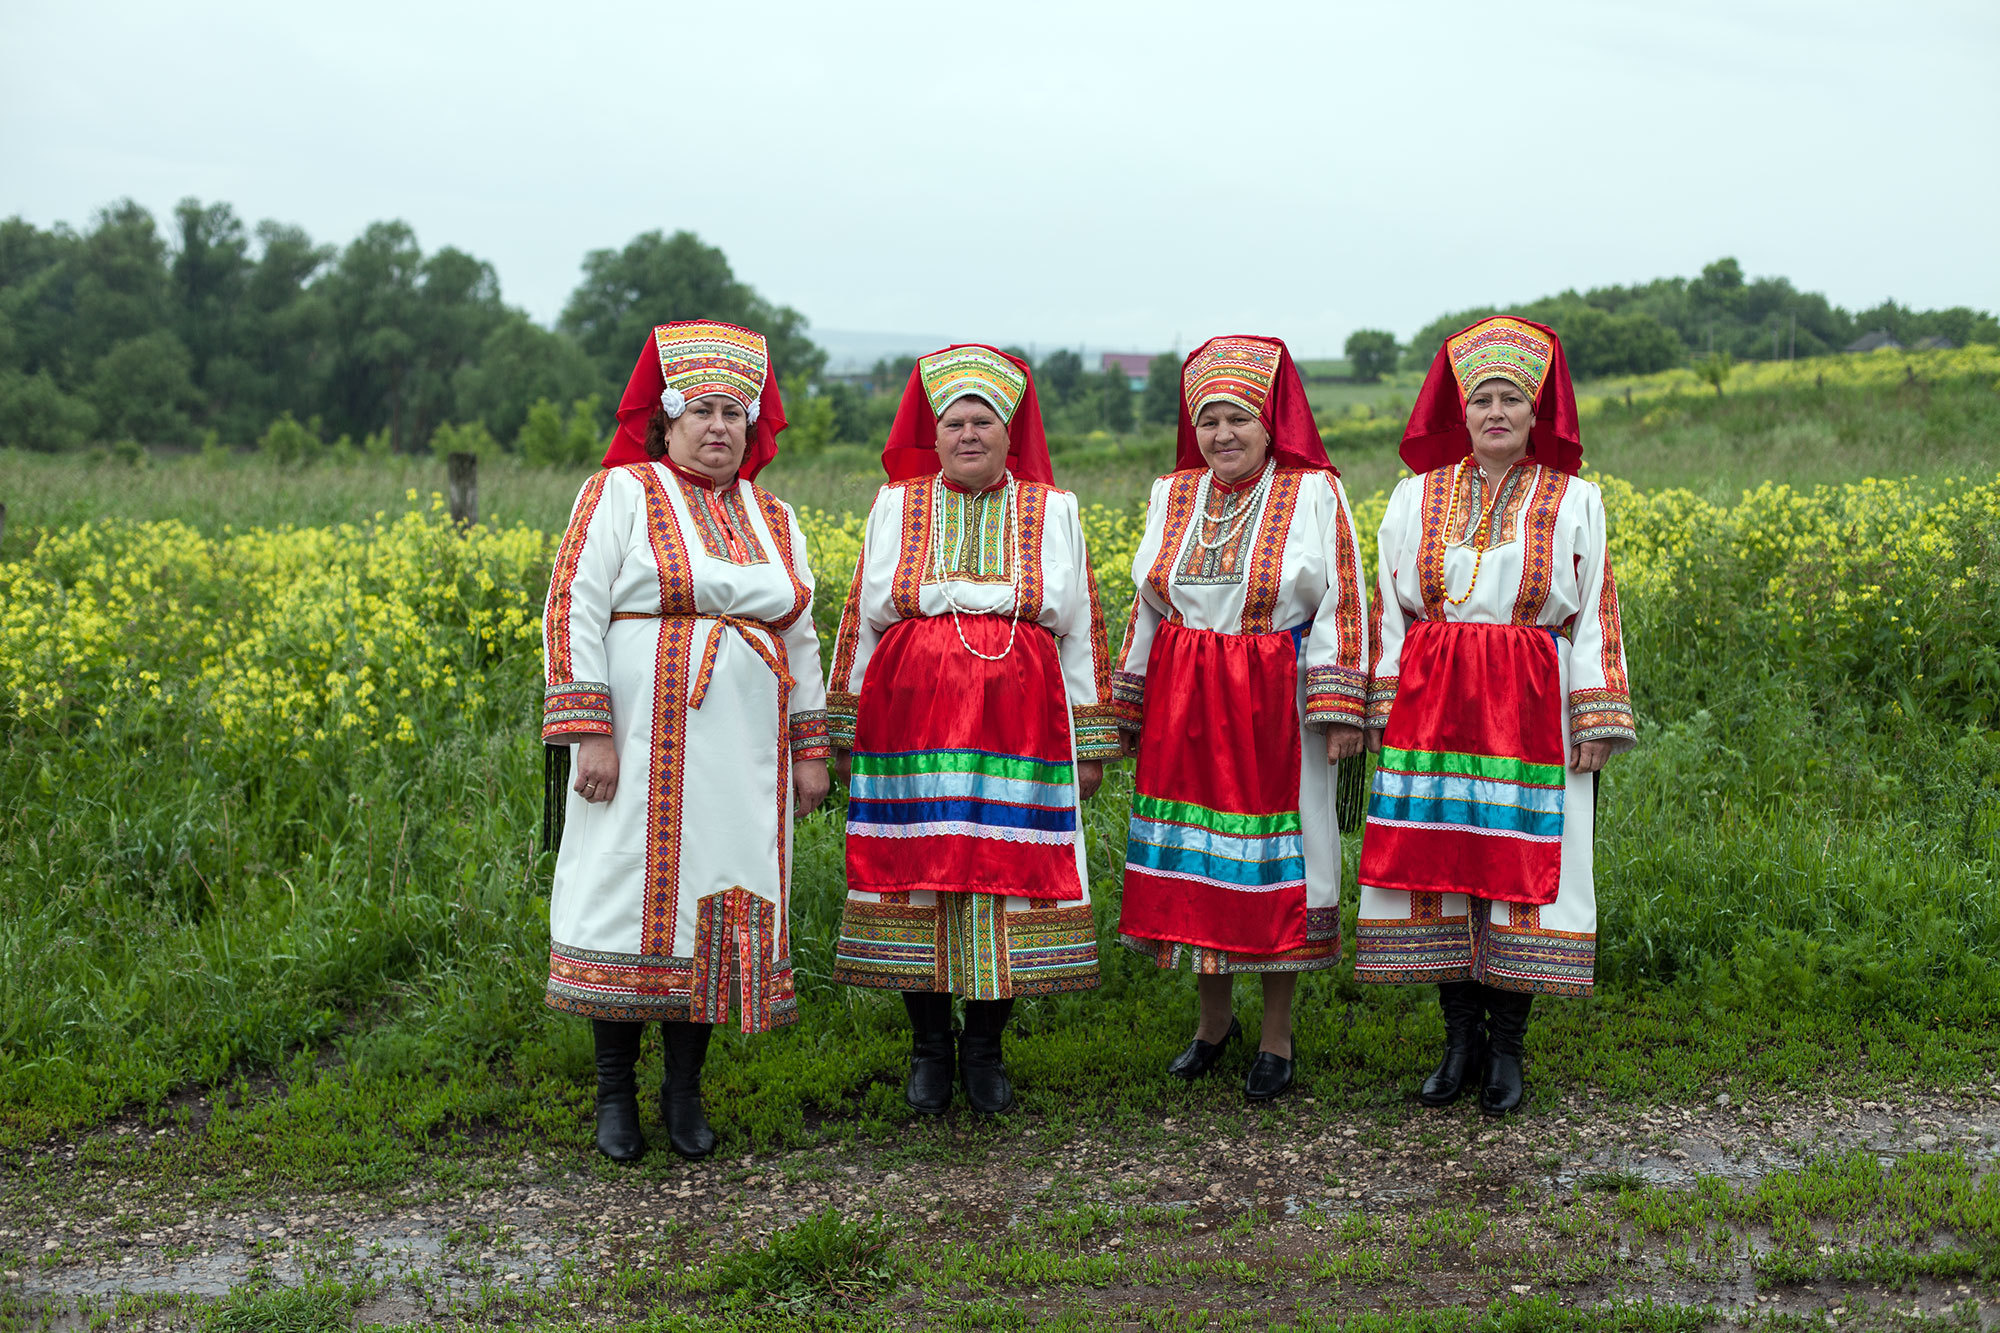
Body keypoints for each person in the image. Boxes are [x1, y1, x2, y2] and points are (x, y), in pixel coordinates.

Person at [540, 320, 830, 1162]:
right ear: (664, 424)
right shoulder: (619, 493)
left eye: (734, 412)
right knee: (624, 900)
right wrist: (589, 731)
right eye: (700, 410)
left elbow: (801, 636)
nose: (718, 427)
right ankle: (615, 1095)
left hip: (740, 754)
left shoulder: (772, 514)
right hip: (637, 741)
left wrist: (809, 749)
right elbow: (574, 605)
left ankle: (685, 1094)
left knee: (715, 905)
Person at [825, 344, 1119, 1116]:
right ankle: (928, 1048)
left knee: (1004, 877)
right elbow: (861, 615)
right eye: (952, 422)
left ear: (1007, 431)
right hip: (910, 717)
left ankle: (985, 1048)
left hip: (1021, 719)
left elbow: (1082, 625)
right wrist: (844, 722)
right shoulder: (896, 505)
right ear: (937, 432)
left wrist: (1088, 739)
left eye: (982, 421)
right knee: (918, 875)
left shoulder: (1055, 509)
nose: (966, 434)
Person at [1355, 316, 1636, 1116]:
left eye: (1512, 397)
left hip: (1530, 702)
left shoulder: (1576, 499)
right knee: (1442, 866)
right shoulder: (1415, 497)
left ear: (1535, 412)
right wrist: (1382, 702)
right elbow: (1388, 606)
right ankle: (1457, 1040)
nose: (1496, 412)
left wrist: (1596, 715)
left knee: (1522, 871)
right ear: (1463, 411)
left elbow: (1595, 612)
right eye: (1482, 398)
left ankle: (1508, 1044)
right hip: (1434, 702)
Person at [1110, 335, 1369, 1101]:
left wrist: (1339, 705)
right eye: (1210, 419)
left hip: (1273, 697)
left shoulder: (1314, 492)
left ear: (1269, 423)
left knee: (1280, 858)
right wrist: (1129, 702)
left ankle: (1278, 1035)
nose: (1223, 434)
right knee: (1198, 858)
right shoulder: (1172, 494)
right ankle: (1212, 1024)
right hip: (1188, 695)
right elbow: (1150, 607)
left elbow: (1344, 601)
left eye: (1239, 418)